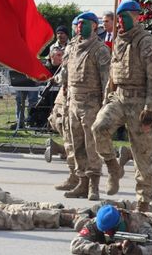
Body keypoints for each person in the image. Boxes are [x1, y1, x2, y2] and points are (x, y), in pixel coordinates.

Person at [92, 0, 152, 212]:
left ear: (136, 17)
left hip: (140, 101)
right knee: (99, 127)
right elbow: (112, 75)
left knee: (142, 154)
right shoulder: (118, 40)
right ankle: (113, 167)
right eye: (118, 18)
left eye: (124, 18)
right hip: (119, 97)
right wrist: (106, 100)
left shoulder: (145, 41)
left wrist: (150, 108)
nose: (120, 22)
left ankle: (143, 201)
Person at [56, 12, 110, 201]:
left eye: (84, 23)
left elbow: (106, 80)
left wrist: (105, 105)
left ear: (95, 26)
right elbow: (65, 71)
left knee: (91, 145)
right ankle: (82, 182)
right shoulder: (72, 47)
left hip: (91, 104)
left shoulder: (100, 49)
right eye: (78, 24)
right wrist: (63, 87)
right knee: (76, 144)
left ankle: (93, 185)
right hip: (72, 102)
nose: (80, 27)